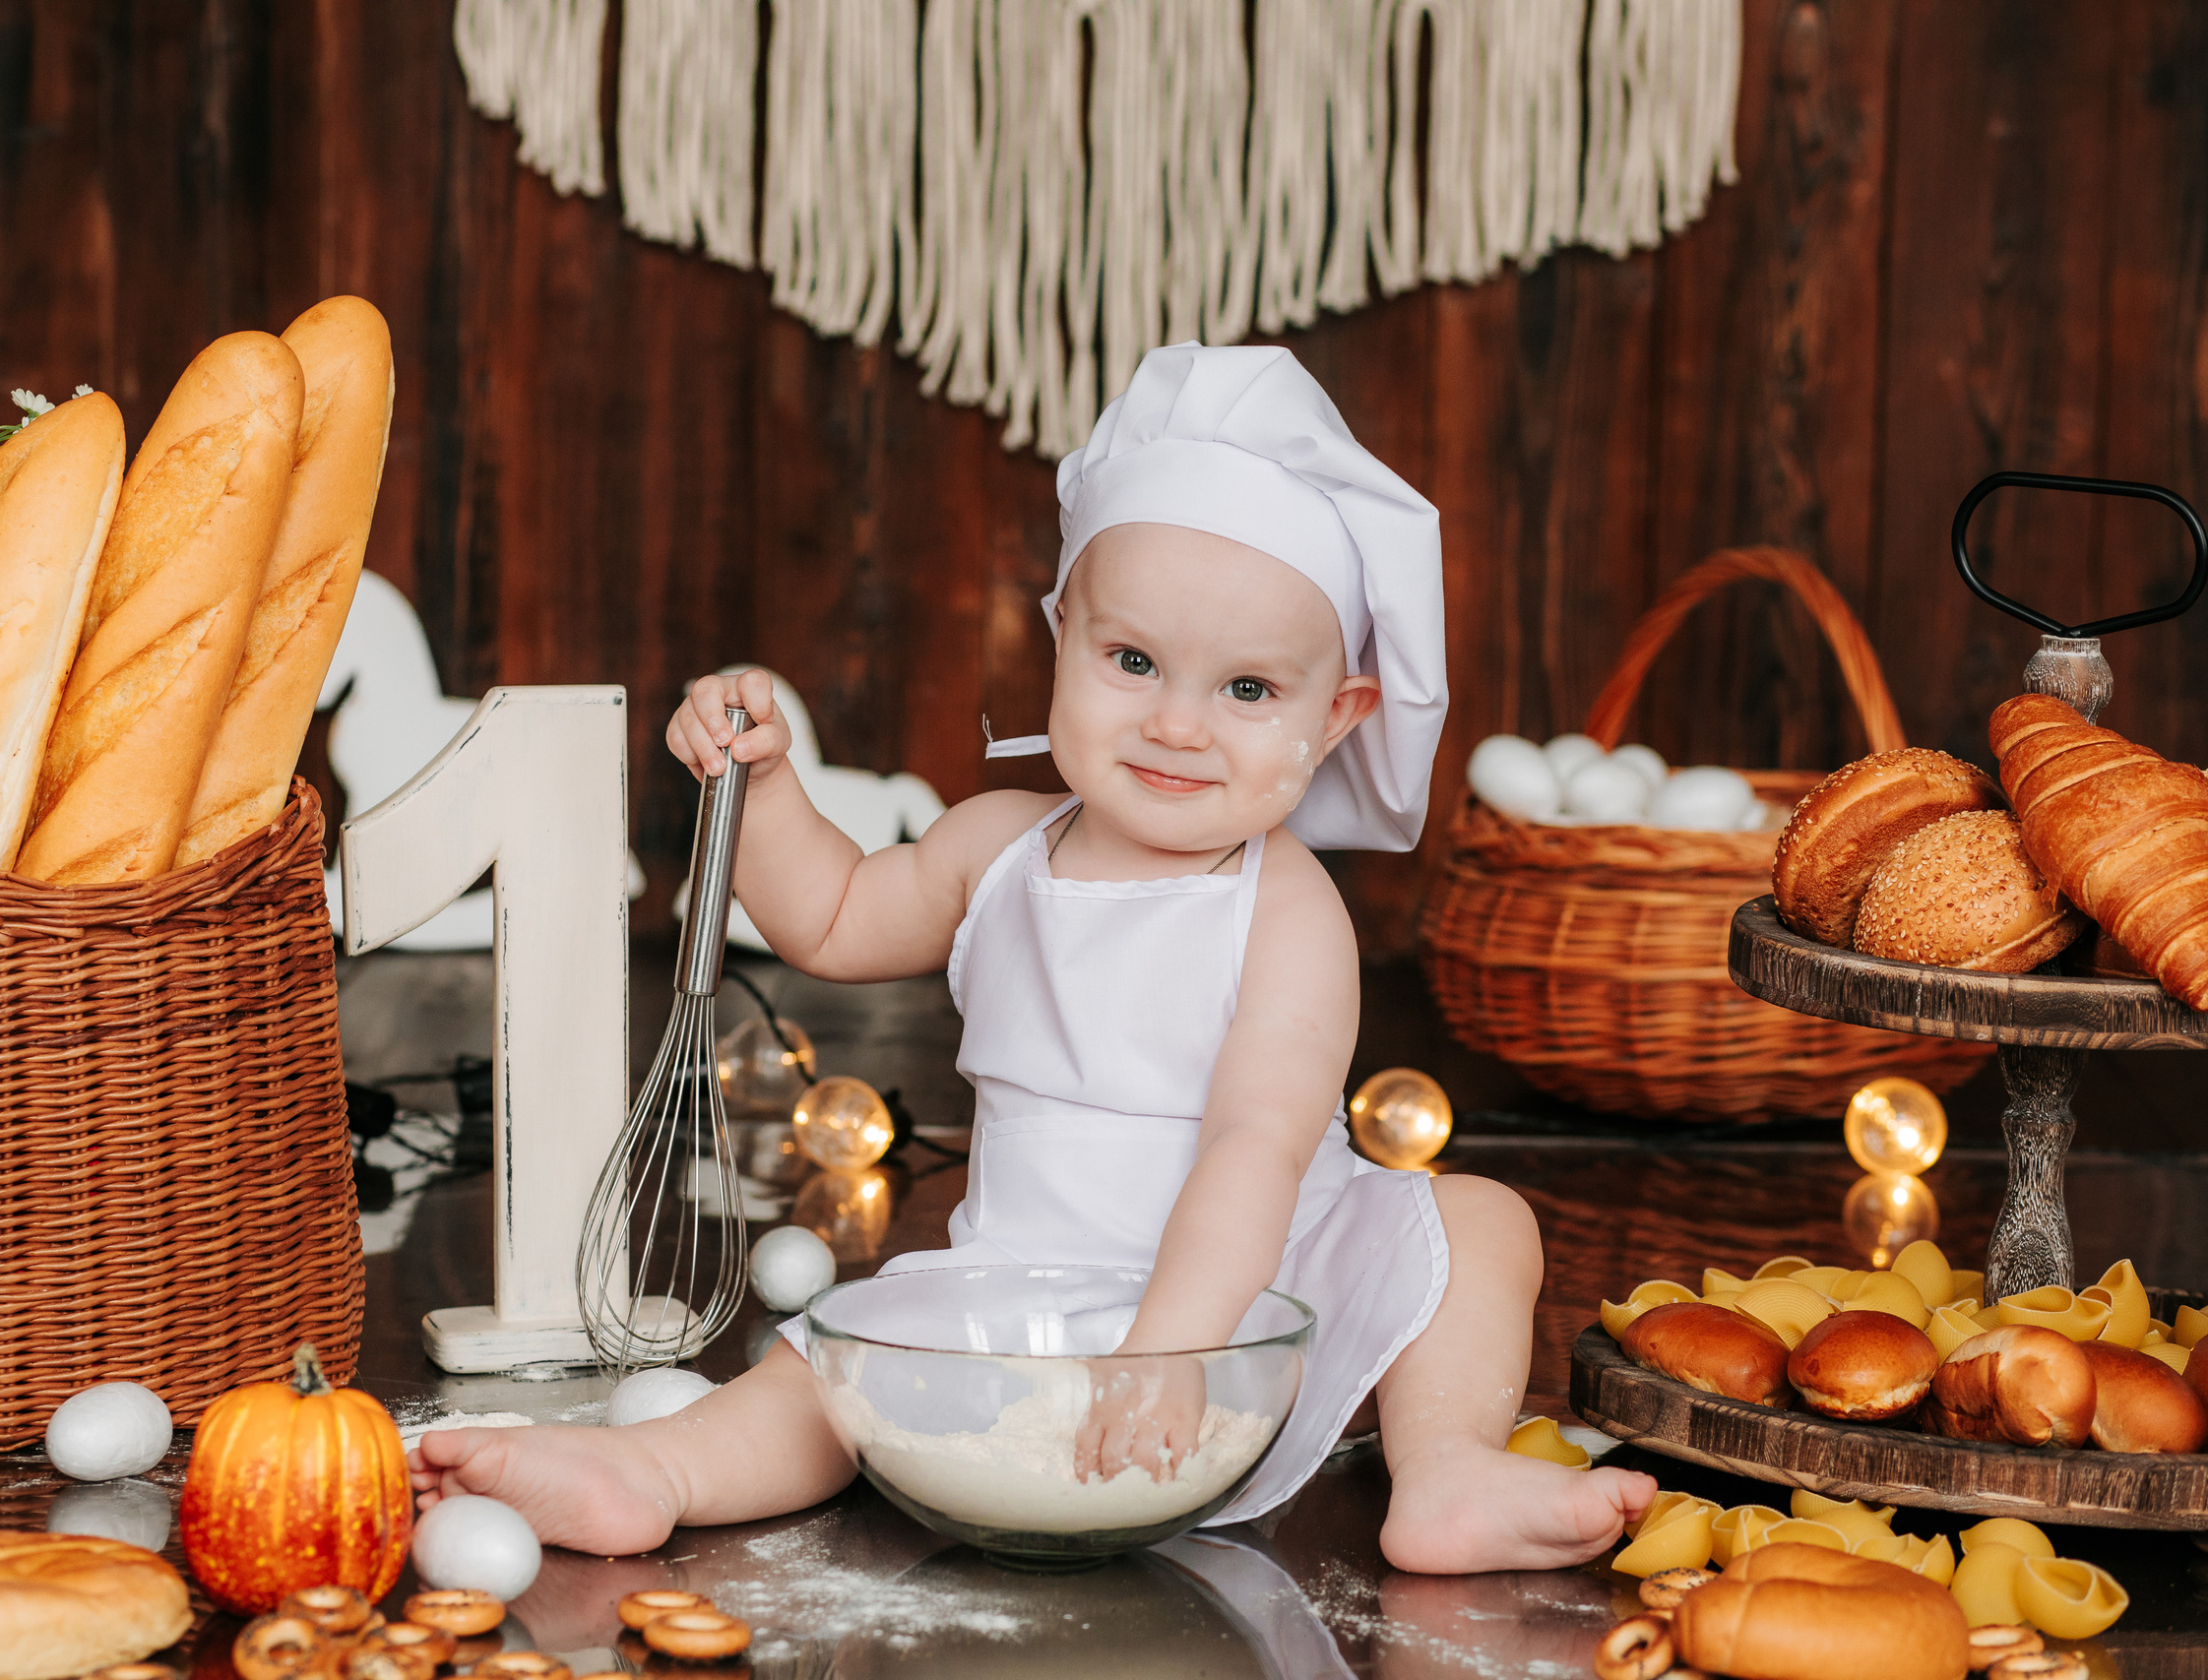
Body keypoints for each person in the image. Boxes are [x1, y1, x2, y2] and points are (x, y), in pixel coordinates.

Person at [410, 342, 1656, 1573]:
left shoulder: (1283, 909)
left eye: (1247, 690)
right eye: (1131, 662)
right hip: (1022, 1282)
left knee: (1476, 1220)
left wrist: (1173, 1352)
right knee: (841, 1359)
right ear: (1058, 636)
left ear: (1334, 719)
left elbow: (1255, 1146)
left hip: (1256, 1291)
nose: (1175, 721)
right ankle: (654, 1473)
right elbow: (831, 918)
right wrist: (766, 786)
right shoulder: (996, 845)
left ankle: (1441, 1473)